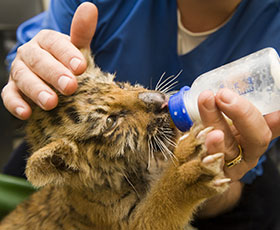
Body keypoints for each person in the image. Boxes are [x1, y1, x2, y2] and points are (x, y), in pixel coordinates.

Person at [2, 0, 280, 229]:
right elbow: (31, 62)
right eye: (111, 121)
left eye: (116, 83)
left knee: (268, 201)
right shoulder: (80, 170)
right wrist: (29, 75)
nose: (149, 97)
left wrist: (197, 178)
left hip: (235, 180)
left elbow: (229, 172)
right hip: (91, 171)